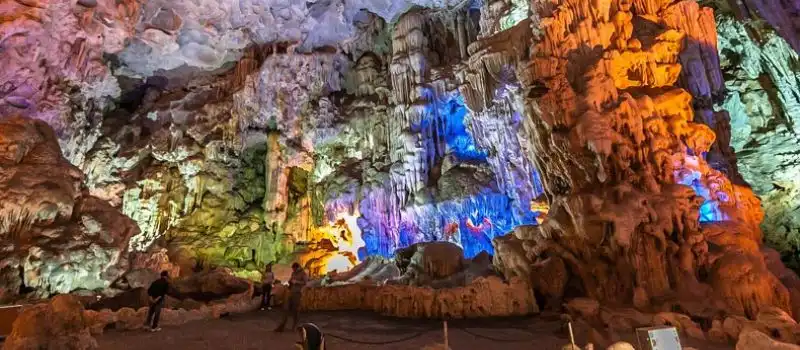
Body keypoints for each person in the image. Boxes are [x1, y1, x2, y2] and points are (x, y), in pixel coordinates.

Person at [274, 262, 308, 332]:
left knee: (295, 310)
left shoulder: (303, 273)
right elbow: (291, 279)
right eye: (293, 269)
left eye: (294, 269)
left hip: (297, 293)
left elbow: (305, 282)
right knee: (285, 308)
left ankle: (295, 326)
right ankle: (282, 326)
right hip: (291, 292)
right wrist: (290, 282)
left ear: (297, 267)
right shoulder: (293, 273)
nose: (293, 270)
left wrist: (297, 282)